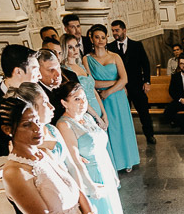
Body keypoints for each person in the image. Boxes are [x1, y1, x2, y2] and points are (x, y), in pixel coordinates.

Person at [54, 83, 135, 214]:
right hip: (90, 176)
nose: (83, 103)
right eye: (76, 99)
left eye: (84, 98)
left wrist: (112, 172)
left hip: (105, 170)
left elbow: (102, 148)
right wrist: (90, 186)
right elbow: (75, 159)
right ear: (64, 103)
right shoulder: (64, 125)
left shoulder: (88, 117)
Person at [86, 25, 139, 172]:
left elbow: (125, 79)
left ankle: (128, 160)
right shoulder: (87, 59)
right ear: (91, 39)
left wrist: (108, 91)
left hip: (117, 97)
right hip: (101, 100)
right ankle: (114, 163)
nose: (100, 40)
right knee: (109, 129)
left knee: (122, 127)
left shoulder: (115, 56)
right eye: (97, 37)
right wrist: (115, 82)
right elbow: (91, 82)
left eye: (103, 37)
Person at [109, 19, 156, 145]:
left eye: (117, 30)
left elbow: (145, 64)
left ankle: (150, 135)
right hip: (120, 87)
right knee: (123, 114)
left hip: (137, 85)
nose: (114, 33)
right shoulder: (110, 47)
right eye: (113, 31)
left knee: (144, 112)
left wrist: (147, 82)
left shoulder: (136, 45)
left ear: (124, 30)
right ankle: (126, 138)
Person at [60, 33, 107, 132]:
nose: (75, 50)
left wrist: (104, 113)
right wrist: (97, 117)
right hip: (85, 111)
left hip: (97, 107)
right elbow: (77, 97)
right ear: (64, 49)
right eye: (70, 47)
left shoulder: (80, 66)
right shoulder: (66, 71)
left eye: (76, 46)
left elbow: (94, 91)